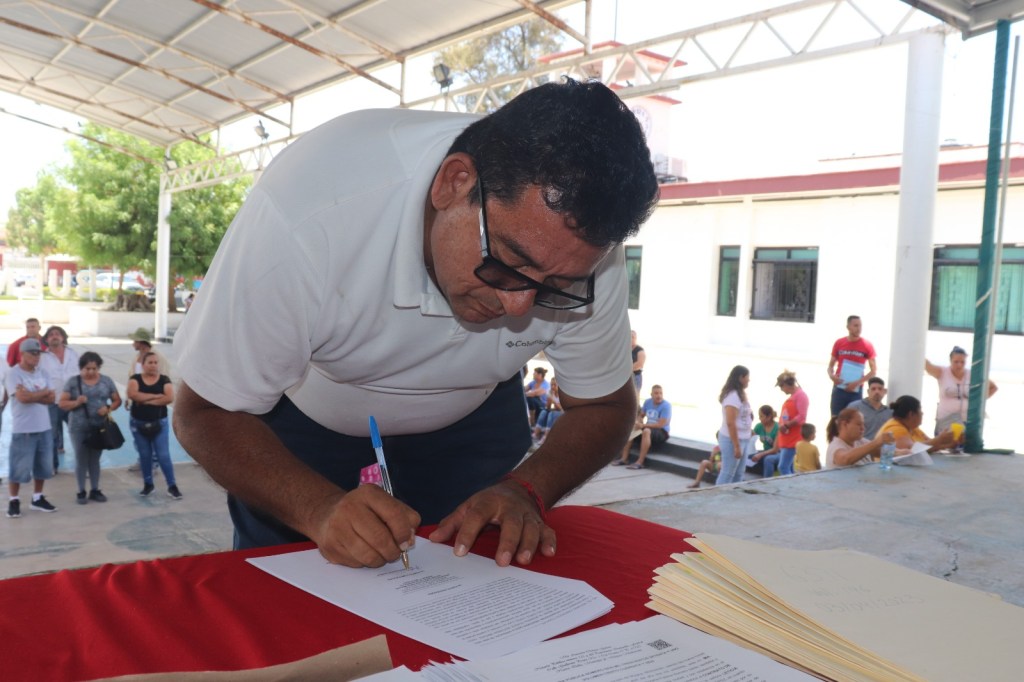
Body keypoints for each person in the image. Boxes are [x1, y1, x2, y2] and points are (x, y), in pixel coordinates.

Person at [171, 79, 660, 569]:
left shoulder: (580, 252)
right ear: (453, 184)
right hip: (307, 432)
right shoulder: (312, 209)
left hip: (476, 424)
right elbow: (204, 412)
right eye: (510, 263)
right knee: (285, 592)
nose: (519, 306)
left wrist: (528, 487)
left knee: (470, 589)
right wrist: (317, 509)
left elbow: (605, 405)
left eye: (556, 286)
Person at [59, 351, 121, 504]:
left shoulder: (106, 381)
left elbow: (117, 400)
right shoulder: (73, 382)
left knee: (95, 459)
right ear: (81, 368)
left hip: (99, 426)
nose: (91, 372)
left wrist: (108, 408)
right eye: (87, 368)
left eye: (94, 368)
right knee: (81, 458)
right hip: (78, 426)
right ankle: (81, 491)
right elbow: (62, 403)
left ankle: (95, 489)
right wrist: (77, 402)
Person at [5, 339, 57, 518]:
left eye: (38, 354)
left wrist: (31, 394)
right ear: (23, 354)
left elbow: (51, 399)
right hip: (24, 428)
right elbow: (22, 399)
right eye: (33, 353)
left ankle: (37, 497)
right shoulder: (13, 374)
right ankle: (14, 500)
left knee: (43, 465)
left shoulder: (43, 372)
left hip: (44, 427)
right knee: (18, 466)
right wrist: (43, 392)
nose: (36, 357)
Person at [127, 352, 181, 500]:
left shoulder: (164, 380)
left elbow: (169, 398)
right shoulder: (135, 379)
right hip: (138, 423)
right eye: (150, 362)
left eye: (156, 362)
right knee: (145, 455)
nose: (153, 365)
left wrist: (145, 400)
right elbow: (133, 394)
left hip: (159, 424)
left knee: (163, 455)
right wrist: (157, 396)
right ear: (143, 365)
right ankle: (148, 484)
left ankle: (172, 485)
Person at [925, 346, 997, 439]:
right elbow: (927, 366)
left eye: (962, 362)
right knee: (946, 444)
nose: (959, 365)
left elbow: (993, 387)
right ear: (950, 361)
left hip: (968, 420)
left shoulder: (972, 374)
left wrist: (978, 401)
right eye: (956, 362)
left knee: (966, 445)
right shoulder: (942, 372)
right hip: (946, 419)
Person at [39, 325, 80, 471]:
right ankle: (52, 466)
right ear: (46, 339)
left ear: (63, 337)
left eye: (57, 334)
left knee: (79, 434)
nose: (54, 336)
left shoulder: (73, 354)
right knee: (51, 436)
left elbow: (82, 375)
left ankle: (83, 466)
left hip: (73, 402)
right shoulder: (42, 358)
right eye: (51, 335)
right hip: (52, 402)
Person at [827, 315, 877, 417]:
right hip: (839, 388)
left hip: (856, 390)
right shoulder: (839, 343)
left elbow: (873, 371)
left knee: (853, 418)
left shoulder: (867, 345)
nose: (859, 329)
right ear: (848, 327)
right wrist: (832, 376)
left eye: (860, 326)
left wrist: (857, 383)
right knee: (835, 418)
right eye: (855, 326)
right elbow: (830, 366)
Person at [615, 384, 671, 469]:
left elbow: (661, 425)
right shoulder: (648, 402)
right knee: (632, 428)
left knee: (646, 431)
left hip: (662, 431)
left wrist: (643, 425)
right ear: (651, 394)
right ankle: (624, 458)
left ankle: (640, 462)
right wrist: (638, 421)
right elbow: (641, 415)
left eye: (661, 393)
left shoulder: (666, 406)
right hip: (649, 428)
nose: (659, 396)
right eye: (656, 393)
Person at [878, 396, 958, 454]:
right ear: (911, 414)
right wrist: (939, 439)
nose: (922, 413)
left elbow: (929, 446)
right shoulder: (895, 429)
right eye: (920, 410)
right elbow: (913, 450)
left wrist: (951, 443)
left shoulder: (912, 428)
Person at [715, 366, 752, 485]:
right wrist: (736, 446)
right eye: (747, 377)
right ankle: (719, 494)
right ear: (741, 377)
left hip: (744, 439)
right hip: (733, 440)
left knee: (739, 473)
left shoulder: (741, 394)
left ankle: (734, 494)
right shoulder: (732, 396)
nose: (749, 380)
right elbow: (730, 423)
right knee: (727, 473)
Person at [825, 407, 896, 468]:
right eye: (859, 424)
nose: (863, 428)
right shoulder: (835, 446)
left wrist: (900, 453)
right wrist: (876, 442)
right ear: (845, 424)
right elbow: (845, 459)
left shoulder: (860, 441)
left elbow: (881, 451)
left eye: (863, 424)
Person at [774, 370, 809, 476]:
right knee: (789, 467)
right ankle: (794, 483)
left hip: (794, 439)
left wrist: (786, 425)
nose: (781, 389)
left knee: (782, 466)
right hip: (786, 438)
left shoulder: (801, 396)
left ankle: (789, 485)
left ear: (786, 384)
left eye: (781, 387)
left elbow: (801, 417)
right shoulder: (793, 396)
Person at [748, 405, 780, 477]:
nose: (759, 418)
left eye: (761, 416)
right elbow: (750, 436)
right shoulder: (759, 426)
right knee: (748, 457)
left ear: (769, 417)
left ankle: (767, 479)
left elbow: (775, 450)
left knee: (767, 459)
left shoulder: (777, 428)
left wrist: (760, 455)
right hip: (766, 452)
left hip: (778, 453)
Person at [531, 376, 563, 446]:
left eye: (555, 385)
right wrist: (549, 400)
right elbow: (548, 407)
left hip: (563, 412)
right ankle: (536, 433)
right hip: (555, 410)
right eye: (551, 384)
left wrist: (553, 400)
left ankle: (546, 436)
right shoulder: (550, 391)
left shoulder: (562, 394)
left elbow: (561, 409)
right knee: (544, 412)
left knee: (552, 413)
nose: (552, 386)